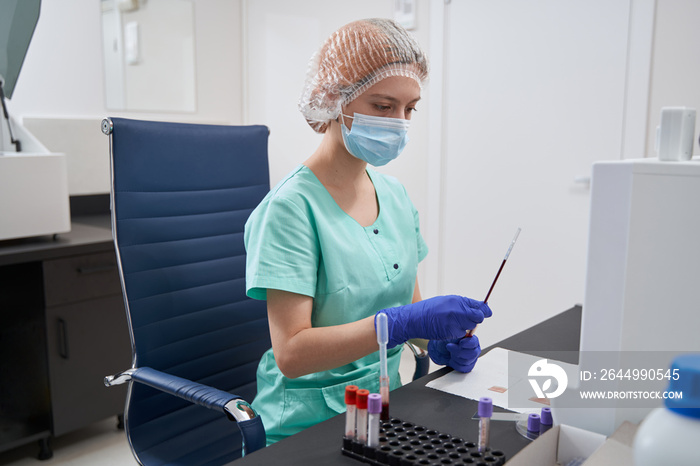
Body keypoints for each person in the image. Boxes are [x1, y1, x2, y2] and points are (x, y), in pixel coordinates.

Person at [244, 18, 492, 445]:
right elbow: (291, 354)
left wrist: (437, 339)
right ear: (332, 98)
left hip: (386, 407)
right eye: (383, 106)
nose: (399, 122)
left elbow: (408, 314)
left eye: (409, 108)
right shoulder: (290, 209)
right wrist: (393, 324)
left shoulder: (395, 197)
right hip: (307, 422)